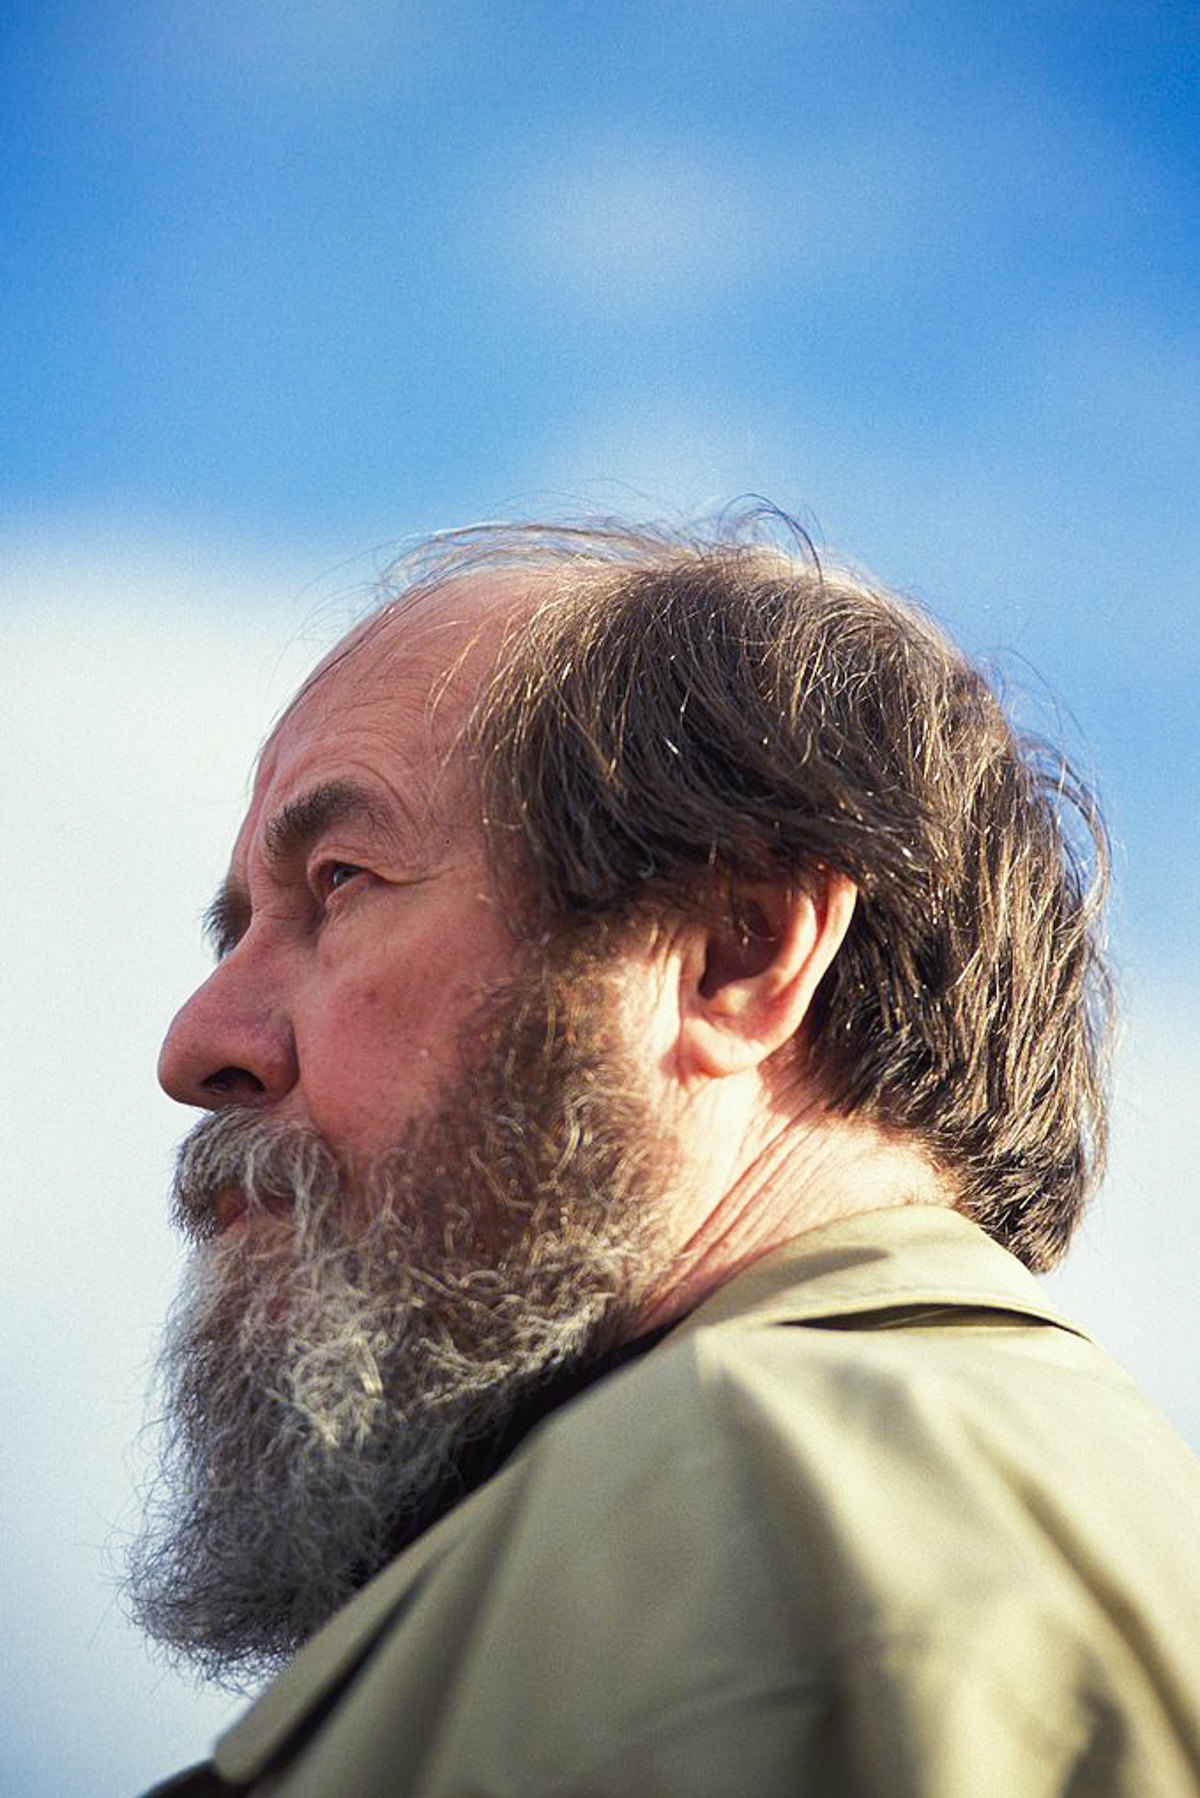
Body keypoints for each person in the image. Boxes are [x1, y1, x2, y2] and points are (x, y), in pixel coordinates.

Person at [133, 514, 1200, 1796]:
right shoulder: (892, 1511)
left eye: (341, 881)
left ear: (735, 954)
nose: (198, 1045)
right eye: (236, 933)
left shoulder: (786, 1506)